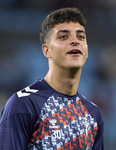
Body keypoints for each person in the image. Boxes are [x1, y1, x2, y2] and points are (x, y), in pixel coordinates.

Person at [0, 7, 104, 150]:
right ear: (46, 50)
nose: (75, 41)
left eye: (81, 37)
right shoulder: (23, 104)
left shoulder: (93, 113)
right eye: (63, 36)